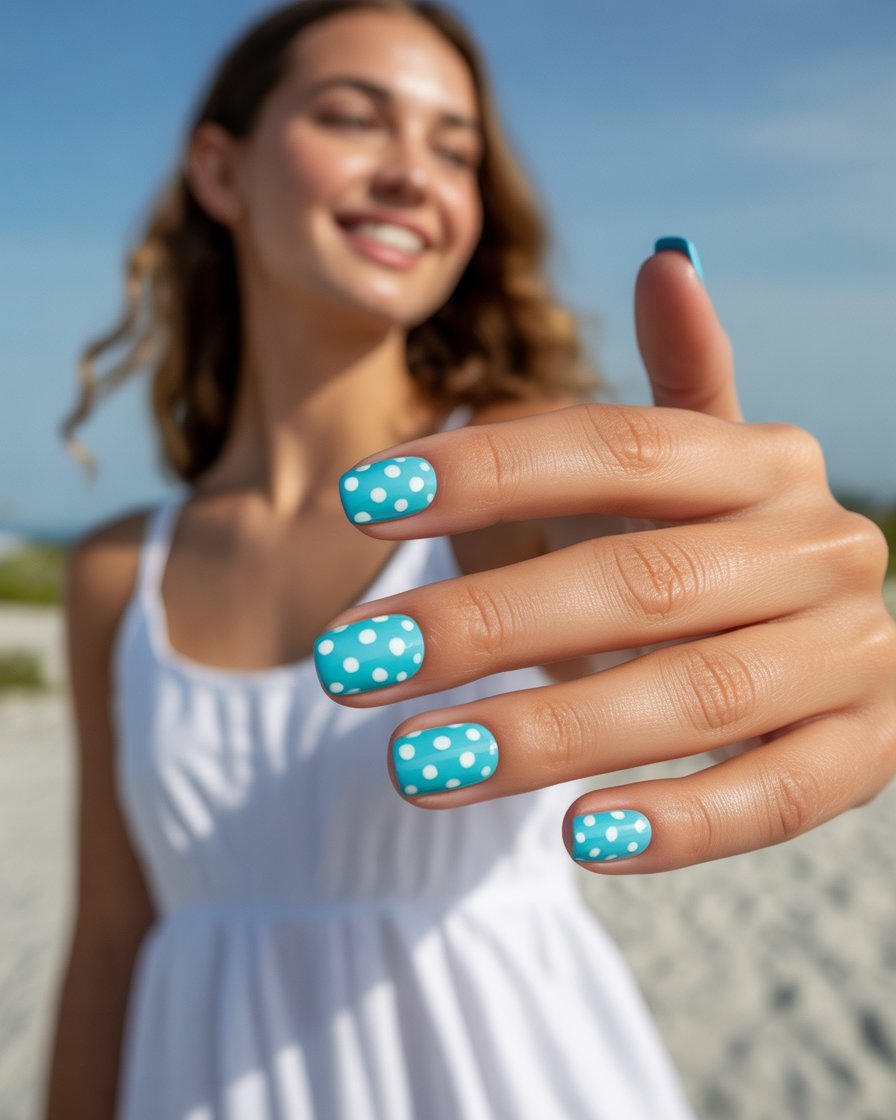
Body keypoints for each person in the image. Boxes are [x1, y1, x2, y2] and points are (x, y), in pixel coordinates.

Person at [44, 1, 895, 1117]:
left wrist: (739, 600)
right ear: (220, 167)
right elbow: (109, 943)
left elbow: (622, 565)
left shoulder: (511, 485)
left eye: (455, 149)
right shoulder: (117, 572)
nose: (413, 173)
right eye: (356, 118)